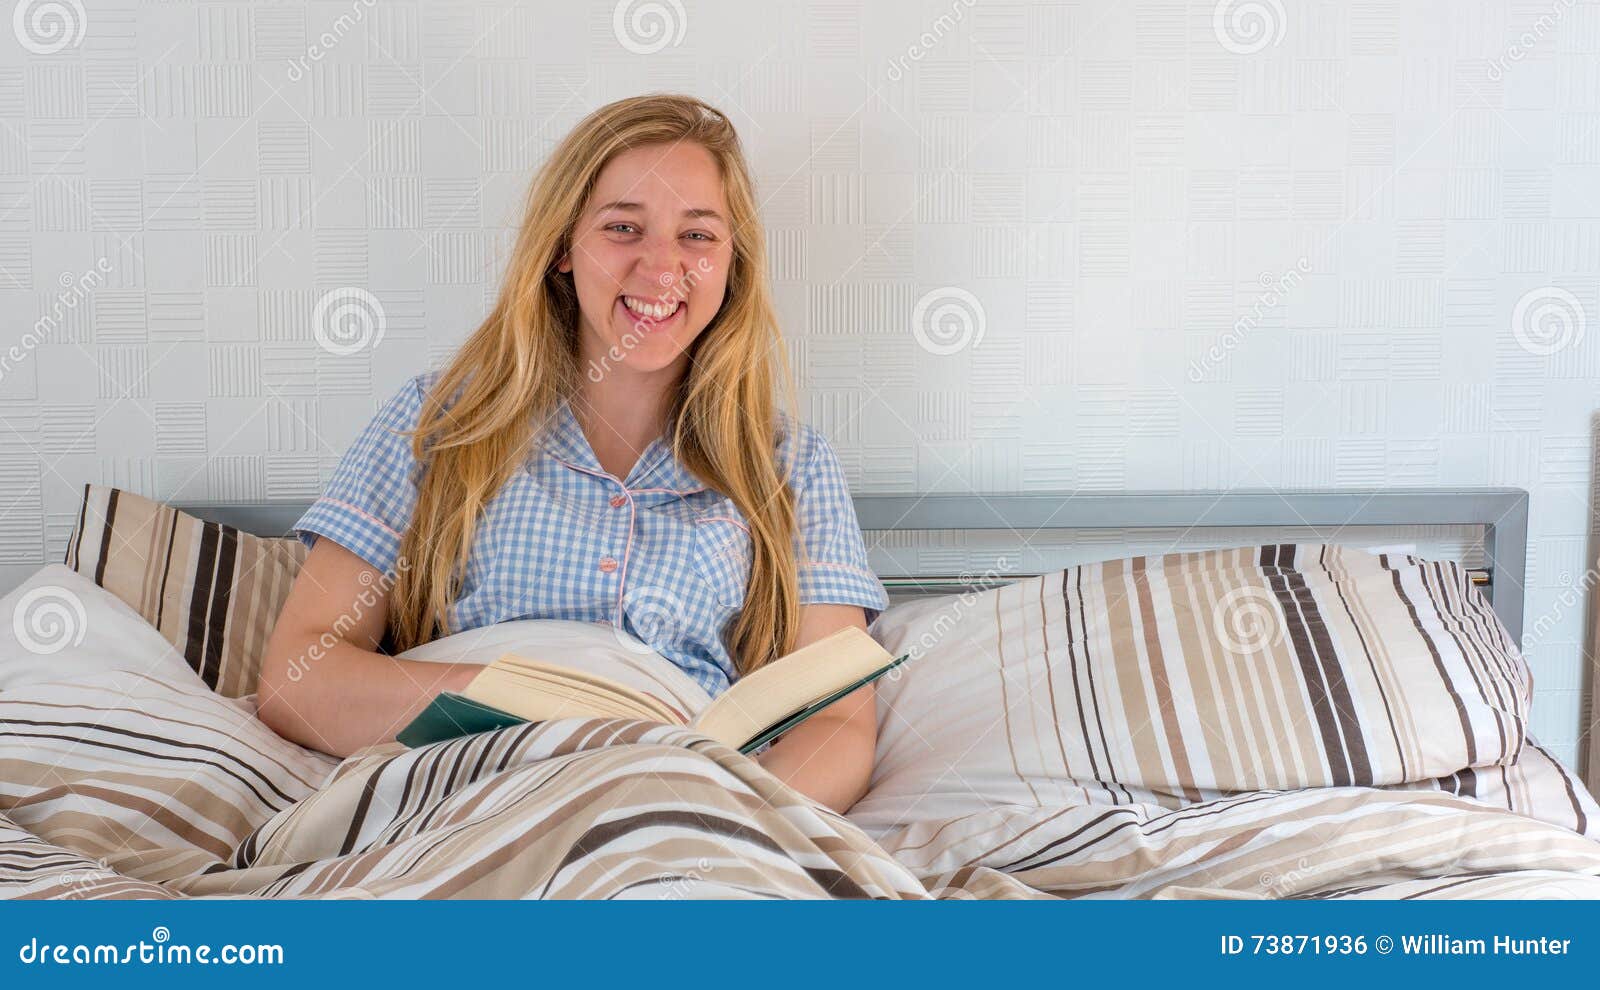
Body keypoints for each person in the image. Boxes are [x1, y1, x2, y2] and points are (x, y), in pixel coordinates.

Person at [256, 94, 889, 814]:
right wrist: (537, 712)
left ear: (732, 262)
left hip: (681, 807)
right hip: (475, 785)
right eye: (623, 227)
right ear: (563, 247)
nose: (662, 266)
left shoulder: (791, 466)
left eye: (699, 236)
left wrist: (722, 816)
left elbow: (838, 720)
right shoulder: (439, 425)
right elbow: (297, 678)